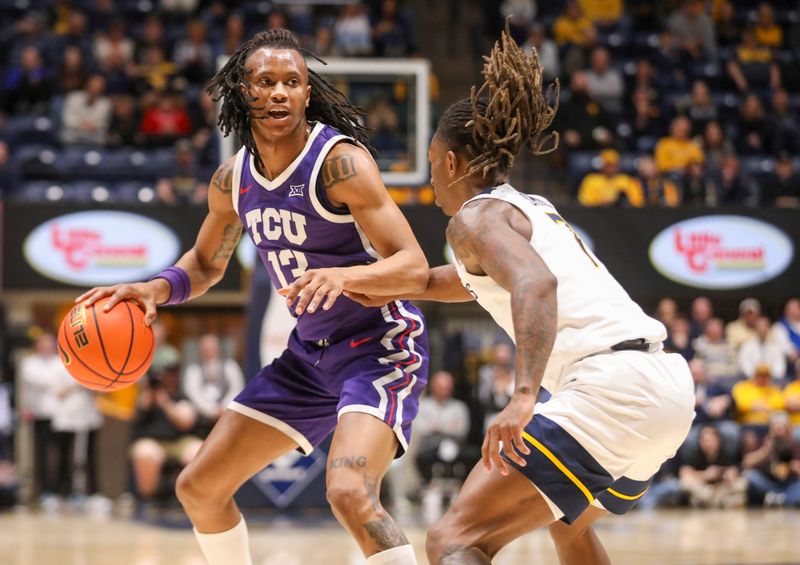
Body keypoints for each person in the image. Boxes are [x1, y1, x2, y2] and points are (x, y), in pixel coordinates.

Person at [77, 28, 429, 565]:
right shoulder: (232, 179)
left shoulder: (341, 163)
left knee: (349, 492)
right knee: (199, 486)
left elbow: (414, 265)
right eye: (266, 81)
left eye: (293, 82)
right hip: (309, 357)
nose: (281, 93)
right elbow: (205, 264)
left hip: (379, 345)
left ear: (308, 93)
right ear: (243, 92)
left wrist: (346, 278)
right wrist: (153, 287)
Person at [347, 26, 695, 564]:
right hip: (665, 389)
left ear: (453, 163)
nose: (434, 180)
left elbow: (536, 284)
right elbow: (463, 283)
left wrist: (524, 396)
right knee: (570, 528)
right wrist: (381, 286)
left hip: (611, 391)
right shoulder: (523, 207)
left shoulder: (474, 218)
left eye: (434, 162)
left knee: (453, 540)